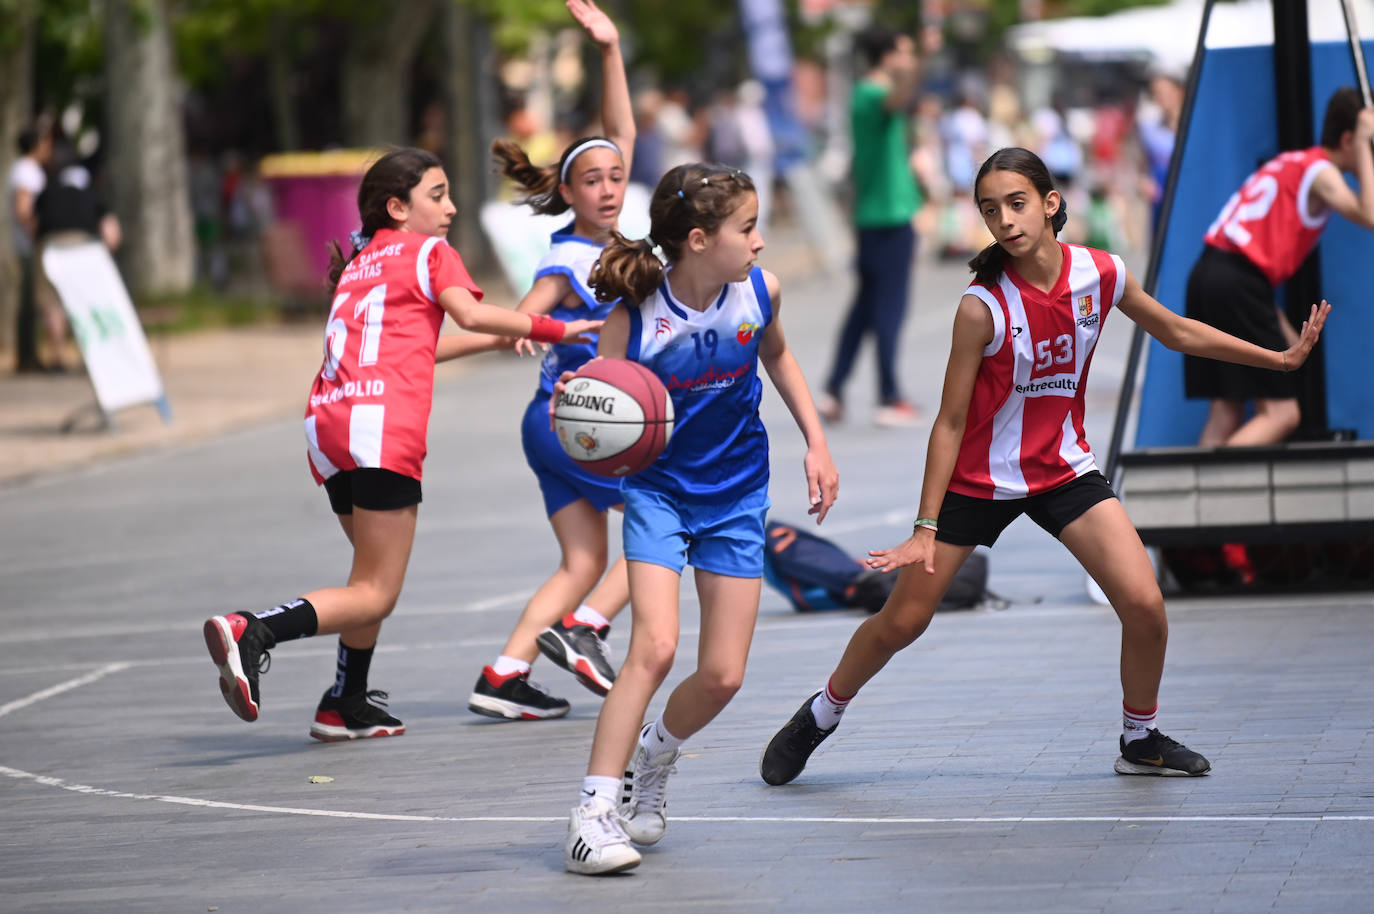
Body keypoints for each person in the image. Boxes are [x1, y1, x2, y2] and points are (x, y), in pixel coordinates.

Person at [757, 147, 1328, 790]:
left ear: (1051, 203)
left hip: (1063, 470)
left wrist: (1278, 362)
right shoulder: (981, 307)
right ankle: (820, 714)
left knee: (1145, 606)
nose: (1004, 219)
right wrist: (924, 525)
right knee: (903, 622)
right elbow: (949, 422)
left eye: (1017, 203)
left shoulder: (1100, 274)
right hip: (978, 481)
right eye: (990, 209)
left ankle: (1139, 739)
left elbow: (1177, 331)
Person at [201, 147, 602, 741]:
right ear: (398, 206)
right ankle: (252, 628)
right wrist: (554, 328)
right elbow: (470, 313)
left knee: (366, 584)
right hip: (381, 429)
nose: (451, 207)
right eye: (436, 195)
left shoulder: (363, 260)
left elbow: (422, 347)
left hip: (329, 426)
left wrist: (496, 342)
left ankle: (345, 703)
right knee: (373, 592)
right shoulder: (429, 253)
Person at [560, 162, 839, 875]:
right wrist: (580, 402)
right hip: (658, 492)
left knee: (722, 676)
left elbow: (778, 358)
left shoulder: (758, 291)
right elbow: (600, 399)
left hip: (738, 494)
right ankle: (590, 814)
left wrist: (816, 441)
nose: (760, 242)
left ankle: (651, 757)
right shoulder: (637, 311)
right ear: (696, 239)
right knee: (653, 647)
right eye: (747, 229)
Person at [441, 0, 637, 721]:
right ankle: (586, 629)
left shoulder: (617, 243)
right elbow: (526, 307)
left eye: (616, 177)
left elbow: (620, 131)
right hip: (573, 420)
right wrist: (533, 322)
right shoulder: (570, 255)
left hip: (554, 424)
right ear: (568, 193)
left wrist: (609, 48)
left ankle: (504, 674)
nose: (609, 187)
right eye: (593, 181)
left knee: (584, 560)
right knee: (668, 510)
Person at [1186, 88, 1374, 450]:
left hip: (1211, 274)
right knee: (1283, 414)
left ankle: (1197, 497)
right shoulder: (1321, 171)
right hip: (1236, 281)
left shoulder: (1294, 162)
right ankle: (1215, 495)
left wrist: (1276, 322)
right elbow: (1369, 214)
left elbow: (1249, 257)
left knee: (1226, 411)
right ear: (1348, 139)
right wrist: (1365, 143)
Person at [817, 26, 924, 429]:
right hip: (886, 218)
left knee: (865, 309)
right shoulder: (870, 94)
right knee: (888, 310)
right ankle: (888, 394)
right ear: (889, 56)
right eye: (906, 51)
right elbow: (899, 97)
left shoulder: (867, 95)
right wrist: (924, 61)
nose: (910, 59)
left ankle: (834, 388)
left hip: (879, 216)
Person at [33, 147, 124, 369]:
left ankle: (58, 359)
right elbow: (112, 234)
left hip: (51, 245)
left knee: (53, 305)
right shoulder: (92, 193)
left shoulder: (48, 190)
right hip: (84, 246)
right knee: (85, 301)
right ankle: (91, 358)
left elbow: (32, 221)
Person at [9, 124, 54, 372]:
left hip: (25, 244)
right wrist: (38, 232)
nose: (49, 148)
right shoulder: (27, 171)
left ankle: (28, 356)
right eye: (45, 142)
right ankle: (27, 358)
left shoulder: (23, 169)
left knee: (28, 302)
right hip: (29, 245)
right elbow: (23, 210)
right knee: (29, 301)